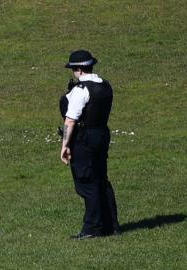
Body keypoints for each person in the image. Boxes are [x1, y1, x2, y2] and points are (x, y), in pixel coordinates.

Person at [60, 50, 120, 240]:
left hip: (84, 138)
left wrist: (64, 145)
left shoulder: (81, 90)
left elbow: (70, 121)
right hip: (101, 134)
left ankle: (92, 228)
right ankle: (110, 225)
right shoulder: (104, 85)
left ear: (78, 69)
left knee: (86, 182)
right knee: (102, 179)